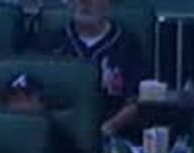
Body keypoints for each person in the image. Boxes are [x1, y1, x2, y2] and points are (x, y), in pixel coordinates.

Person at [44, 0, 150, 143]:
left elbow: (138, 101)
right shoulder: (50, 43)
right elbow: (31, 96)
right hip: (57, 140)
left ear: (108, 3)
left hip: (112, 136)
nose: (84, 3)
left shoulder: (127, 44)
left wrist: (110, 127)